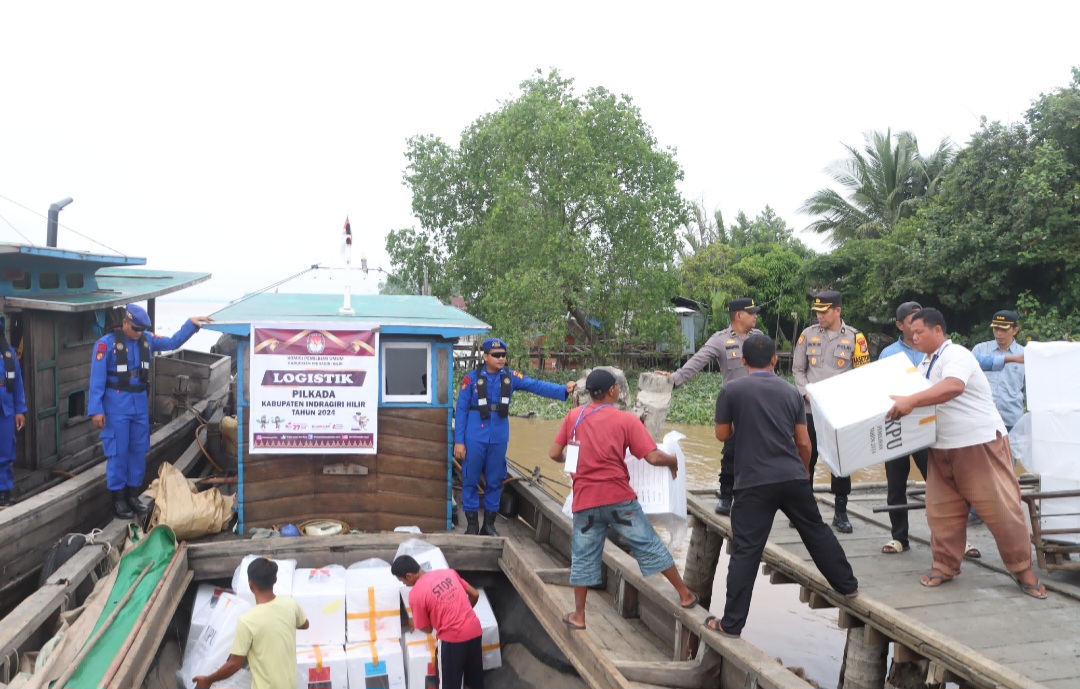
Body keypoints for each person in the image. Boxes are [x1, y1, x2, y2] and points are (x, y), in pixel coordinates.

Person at [886, 308, 1047, 599]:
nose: (914, 337)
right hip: (942, 447)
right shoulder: (924, 363)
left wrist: (911, 401)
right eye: (912, 333)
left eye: (919, 332)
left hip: (978, 445)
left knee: (1001, 509)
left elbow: (953, 387)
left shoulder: (956, 354)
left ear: (938, 331)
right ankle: (944, 566)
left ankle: (1024, 571)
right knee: (941, 512)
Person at [707, 334, 859, 638]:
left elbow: (722, 434)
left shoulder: (731, 390)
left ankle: (731, 624)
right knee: (816, 531)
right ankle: (848, 586)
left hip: (753, 481)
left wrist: (744, 423)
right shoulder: (791, 392)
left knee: (746, 551)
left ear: (744, 361)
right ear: (775, 360)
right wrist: (803, 472)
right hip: (791, 476)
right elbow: (803, 441)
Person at [548, 368, 699, 631]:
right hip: (619, 500)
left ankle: (579, 616)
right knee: (649, 544)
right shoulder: (626, 420)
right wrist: (673, 459)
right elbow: (652, 456)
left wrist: (574, 461)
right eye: (617, 386)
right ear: (612, 392)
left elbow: (554, 454)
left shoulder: (573, 417)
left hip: (585, 502)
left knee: (583, 555)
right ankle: (685, 595)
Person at [89, 304, 212, 519]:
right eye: (135, 329)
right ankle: (118, 500)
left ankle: (133, 494)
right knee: (118, 451)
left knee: (138, 449)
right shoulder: (105, 345)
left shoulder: (146, 339)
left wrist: (190, 325)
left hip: (138, 404)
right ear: (125, 323)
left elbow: (172, 342)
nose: (138, 333)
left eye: (141, 329)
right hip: (116, 404)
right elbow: (96, 381)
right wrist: (96, 410)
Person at [455, 337, 575, 536]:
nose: (501, 359)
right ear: (485, 356)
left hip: (499, 436)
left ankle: (489, 525)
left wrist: (563, 389)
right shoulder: (471, 379)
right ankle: (472, 525)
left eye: (503, 355)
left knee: (495, 480)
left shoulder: (511, 377)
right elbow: (461, 410)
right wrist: (459, 441)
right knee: (470, 478)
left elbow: (536, 386)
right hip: (475, 435)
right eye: (496, 355)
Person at [656, 298, 763, 515]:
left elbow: (770, 366)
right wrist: (675, 378)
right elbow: (698, 361)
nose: (755, 316)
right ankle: (726, 497)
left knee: (760, 453)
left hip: (760, 405)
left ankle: (755, 497)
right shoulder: (720, 340)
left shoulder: (759, 338)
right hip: (735, 407)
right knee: (731, 453)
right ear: (738, 315)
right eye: (751, 313)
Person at [792, 290, 870, 533]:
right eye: (816, 312)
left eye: (824, 311)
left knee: (841, 462)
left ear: (838, 310)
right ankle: (804, 512)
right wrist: (806, 393)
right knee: (806, 458)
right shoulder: (807, 335)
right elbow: (797, 369)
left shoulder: (856, 338)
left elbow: (862, 375)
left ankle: (840, 512)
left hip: (839, 411)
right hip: (810, 409)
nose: (819, 316)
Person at [193, 557, 309, 689]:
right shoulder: (290, 604)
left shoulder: (247, 621)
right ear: (275, 580)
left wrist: (208, 680)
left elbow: (234, 665)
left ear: (250, 584)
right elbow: (305, 624)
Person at [877, 302, 930, 554]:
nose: (918, 325)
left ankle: (954, 539)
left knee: (940, 484)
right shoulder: (888, 354)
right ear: (900, 326)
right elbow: (879, 391)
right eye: (912, 321)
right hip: (896, 427)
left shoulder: (932, 349)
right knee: (896, 485)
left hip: (927, 427)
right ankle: (899, 538)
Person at [392, 555, 485, 689]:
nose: (404, 585)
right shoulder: (448, 573)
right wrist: (460, 612)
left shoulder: (416, 594)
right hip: (475, 631)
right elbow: (475, 594)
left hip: (452, 641)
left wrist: (416, 622)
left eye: (402, 581)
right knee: (473, 682)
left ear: (409, 576)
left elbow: (427, 628)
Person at [971, 309, 1026, 432]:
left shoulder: (1024, 354)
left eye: (1004, 329)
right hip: (983, 417)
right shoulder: (980, 349)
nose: (999, 333)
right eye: (996, 329)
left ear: (1015, 330)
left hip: (1012, 418)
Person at [0, 315, 27, 507]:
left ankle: (3, 492)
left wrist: (20, 410)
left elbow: (18, 384)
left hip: (6, 410)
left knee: (5, 451)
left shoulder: (9, 354)